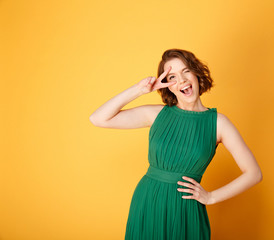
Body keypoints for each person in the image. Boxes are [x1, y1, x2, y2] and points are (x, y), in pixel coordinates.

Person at [89, 48, 263, 239]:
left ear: (196, 73)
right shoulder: (156, 114)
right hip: (148, 201)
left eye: (186, 71)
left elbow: (254, 173)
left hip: (185, 209)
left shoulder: (219, 123)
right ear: (167, 85)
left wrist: (211, 197)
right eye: (172, 76)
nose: (181, 80)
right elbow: (98, 119)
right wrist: (139, 90)